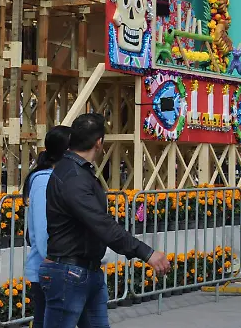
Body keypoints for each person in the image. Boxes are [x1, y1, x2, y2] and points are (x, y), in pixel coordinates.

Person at [41, 114, 169, 328]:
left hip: (84, 271)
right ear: (99, 142)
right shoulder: (73, 176)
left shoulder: (76, 172)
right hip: (69, 274)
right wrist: (146, 253)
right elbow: (101, 224)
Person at [24, 125, 71, 328]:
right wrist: (55, 260)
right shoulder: (44, 182)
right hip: (50, 269)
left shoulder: (57, 179)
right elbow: (44, 230)